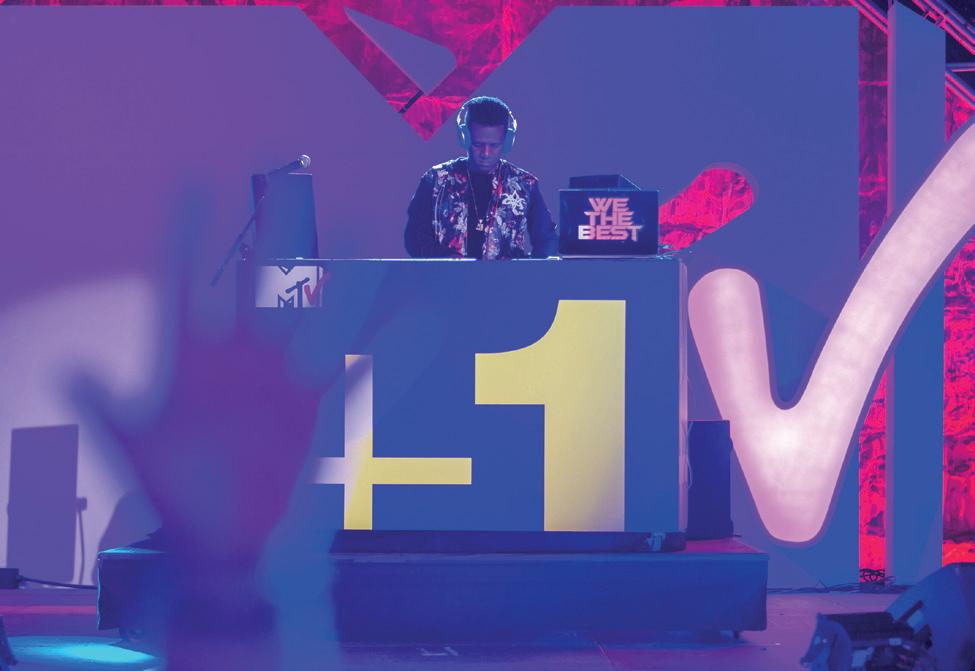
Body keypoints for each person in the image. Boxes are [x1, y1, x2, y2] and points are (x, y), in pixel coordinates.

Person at [404, 96, 558, 259]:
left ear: (506, 142)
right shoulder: (435, 180)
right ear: (465, 138)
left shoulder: (525, 184)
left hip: (506, 276)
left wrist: (525, 271)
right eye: (478, 144)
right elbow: (414, 239)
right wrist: (445, 263)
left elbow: (547, 240)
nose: (486, 153)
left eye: (494, 145)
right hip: (447, 275)